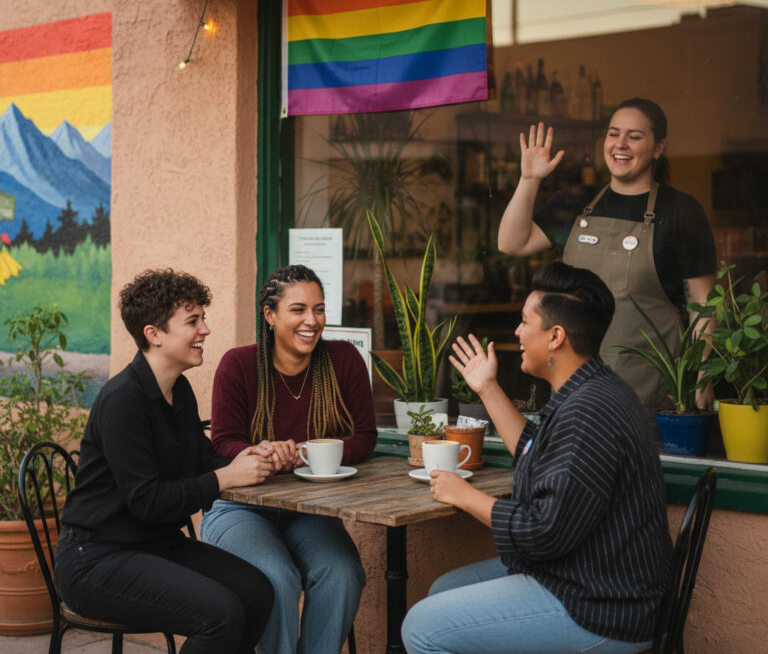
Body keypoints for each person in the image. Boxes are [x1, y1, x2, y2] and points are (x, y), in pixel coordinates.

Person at [401, 261, 672, 654]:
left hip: (602, 606)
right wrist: (488, 387)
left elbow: (544, 532)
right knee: (444, 590)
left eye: (525, 322)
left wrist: (465, 495)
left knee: (421, 627)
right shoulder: (592, 389)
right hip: (588, 577)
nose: (517, 332)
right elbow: (533, 449)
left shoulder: (588, 412)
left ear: (556, 336)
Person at [55, 269, 275, 654]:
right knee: (221, 614)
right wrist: (226, 478)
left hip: (154, 545)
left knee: (256, 591)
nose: (205, 329)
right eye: (193, 321)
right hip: (95, 559)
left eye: (203, 318)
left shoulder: (179, 389)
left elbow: (200, 459)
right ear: (153, 334)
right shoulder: (124, 400)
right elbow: (148, 500)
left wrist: (245, 457)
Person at [497, 98, 716, 415]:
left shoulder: (680, 211)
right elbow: (511, 243)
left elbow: (704, 308)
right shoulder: (578, 200)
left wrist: (703, 376)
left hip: (648, 389)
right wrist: (529, 180)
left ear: (658, 148)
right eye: (614, 134)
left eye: (635, 136)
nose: (620, 145)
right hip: (572, 388)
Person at [201, 264, 377, 654]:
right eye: (298, 310)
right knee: (276, 578)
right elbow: (222, 442)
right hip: (240, 507)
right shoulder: (239, 364)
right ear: (270, 315)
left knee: (343, 573)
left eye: (319, 309)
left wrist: (307, 453)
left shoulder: (344, 360)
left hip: (310, 509)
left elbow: (365, 437)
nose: (311, 321)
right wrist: (259, 452)